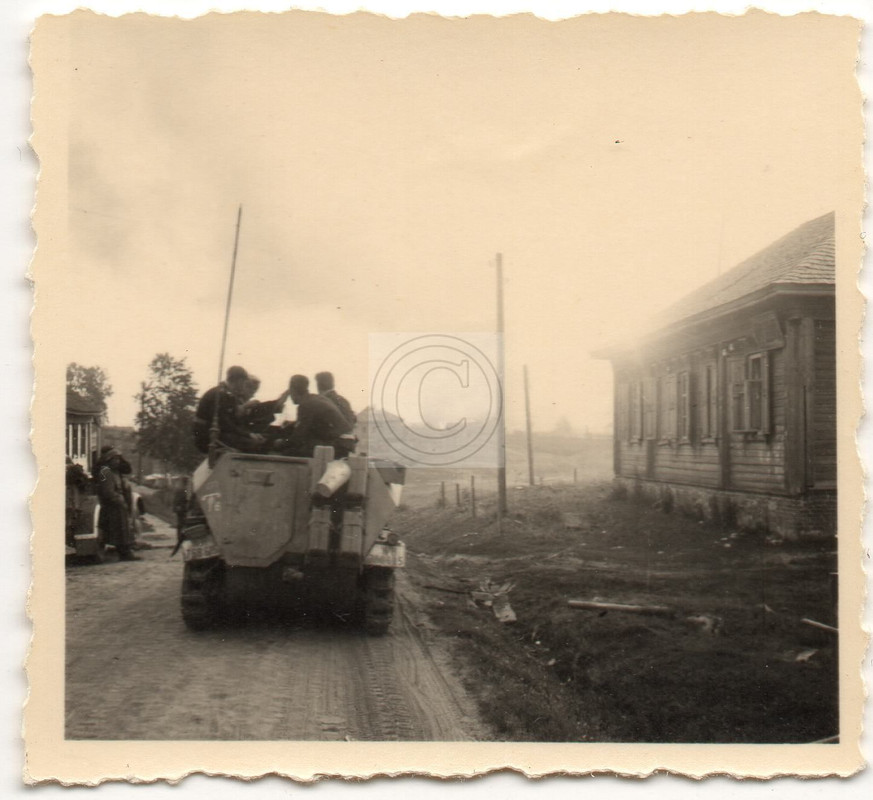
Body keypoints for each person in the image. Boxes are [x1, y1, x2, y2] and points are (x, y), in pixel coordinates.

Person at [274, 374, 357, 458]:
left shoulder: (305, 405)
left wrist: (281, 443)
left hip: (339, 445)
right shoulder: (316, 399)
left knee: (290, 451)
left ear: (292, 391)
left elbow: (298, 437)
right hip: (345, 443)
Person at [193, 365, 266, 453]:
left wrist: (249, 434)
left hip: (218, 434)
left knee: (257, 442)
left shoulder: (227, 394)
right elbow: (225, 423)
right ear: (239, 381)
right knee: (254, 445)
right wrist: (248, 435)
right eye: (244, 383)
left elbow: (233, 420)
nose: (243, 386)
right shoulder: (219, 394)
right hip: (208, 437)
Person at [95, 449, 139, 561]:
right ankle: (124, 552)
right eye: (115, 459)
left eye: (118, 459)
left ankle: (125, 551)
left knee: (124, 529)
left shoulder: (116, 472)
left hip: (119, 504)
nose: (117, 461)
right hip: (111, 505)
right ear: (109, 460)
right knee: (119, 530)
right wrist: (119, 500)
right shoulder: (105, 471)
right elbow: (107, 491)